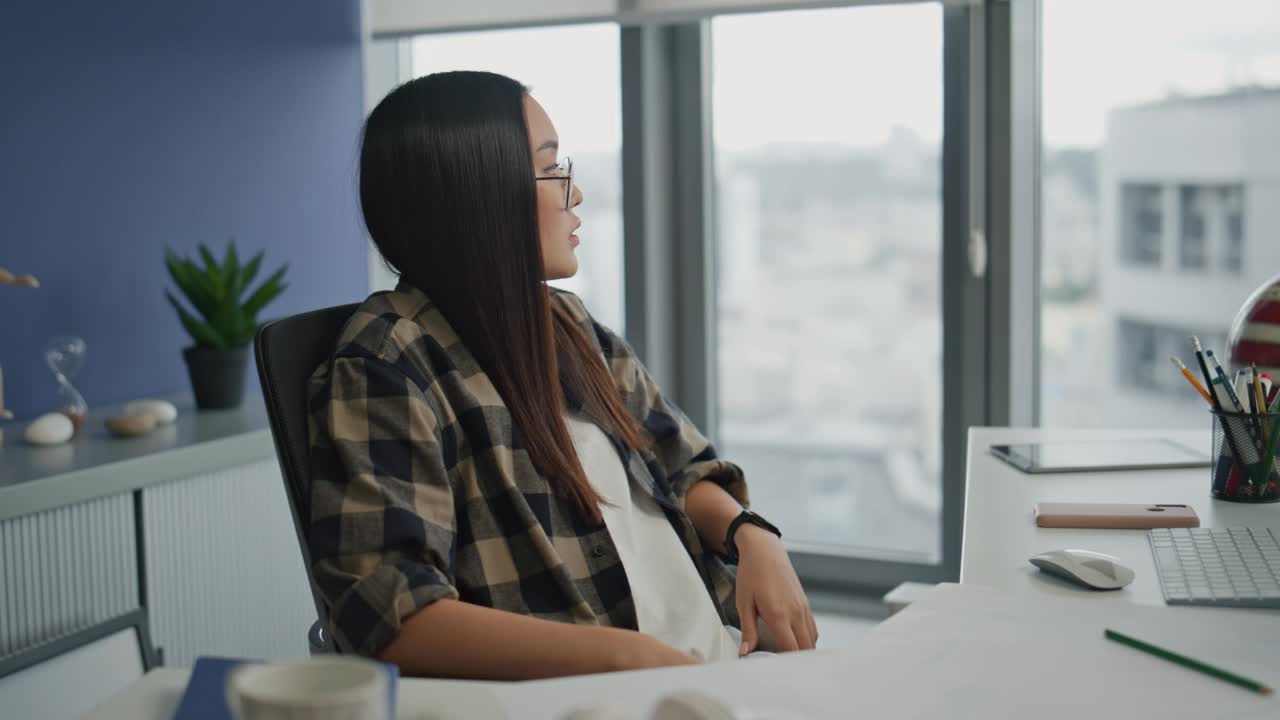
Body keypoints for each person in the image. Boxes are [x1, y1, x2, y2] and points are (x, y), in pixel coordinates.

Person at [307, 70, 816, 681]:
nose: (575, 196)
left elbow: (682, 465)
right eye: (552, 170)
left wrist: (751, 535)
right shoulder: (387, 362)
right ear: (481, 191)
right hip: (619, 693)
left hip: (715, 659)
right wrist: (630, 658)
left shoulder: (564, 321)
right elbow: (392, 612)